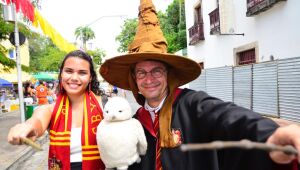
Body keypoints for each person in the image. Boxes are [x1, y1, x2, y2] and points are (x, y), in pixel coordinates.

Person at [99, 0, 300, 170]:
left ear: (168, 74)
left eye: (156, 71)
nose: (149, 79)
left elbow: (230, 118)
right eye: (141, 72)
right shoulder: (134, 122)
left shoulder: (194, 105)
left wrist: (271, 134)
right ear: (134, 79)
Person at [8, 50, 105, 170]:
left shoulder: (104, 106)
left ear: (90, 78)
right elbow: (36, 121)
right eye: (69, 71)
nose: (74, 77)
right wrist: (27, 128)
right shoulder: (50, 109)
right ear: (61, 75)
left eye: (82, 73)